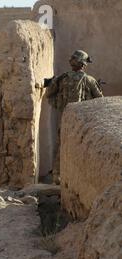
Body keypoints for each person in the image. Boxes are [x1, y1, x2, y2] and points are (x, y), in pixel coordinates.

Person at [45, 50, 103, 184]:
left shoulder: (62, 78)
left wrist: (59, 103)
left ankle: (57, 177)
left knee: (61, 146)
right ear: (83, 64)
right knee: (81, 147)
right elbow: (100, 100)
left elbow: (49, 94)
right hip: (83, 121)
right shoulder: (89, 80)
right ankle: (79, 180)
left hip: (65, 118)